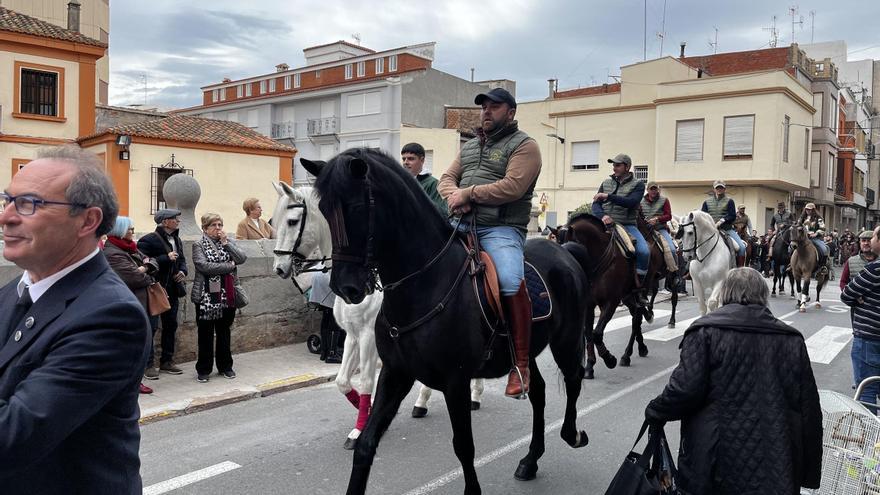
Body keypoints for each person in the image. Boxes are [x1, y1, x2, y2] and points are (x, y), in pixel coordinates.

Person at [0, 145, 149, 493]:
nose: (6, 216)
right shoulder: (11, 293)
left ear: (88, 221)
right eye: (7, 200)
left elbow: (14, 435)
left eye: (29, 203)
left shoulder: (110, 316)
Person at [645, 268, 822, 494]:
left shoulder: (705, 331)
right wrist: (806, 472)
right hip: (775, 460)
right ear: (763, 295)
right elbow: (809, 412)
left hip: (714, 457)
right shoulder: (792, 339)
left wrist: (656, 411)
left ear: (724, 293)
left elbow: (685, 389)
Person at [439, 87, 540, 399]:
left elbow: (513, 186)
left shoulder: (525, 146)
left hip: (501, 229)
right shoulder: (469, 147)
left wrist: (469, 194)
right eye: (484, 107)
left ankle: (520, 364)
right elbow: (446, 180)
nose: (486, 112)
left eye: (494, 107)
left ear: (510, 112)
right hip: (460, 224)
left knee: (510, 279)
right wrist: (454, 197)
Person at [104, 216, 160, 395]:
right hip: (130, 304)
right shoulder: (112, 253)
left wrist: (145, 268)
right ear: (119, 230)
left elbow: (153, 263)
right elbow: (134, 278)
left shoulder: (131, 248)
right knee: (132, 345)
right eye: (130, 229)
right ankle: (131, 383)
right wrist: (145, 269)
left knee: (144, 342)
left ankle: (136, 380)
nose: (133, 233)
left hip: (145, 302)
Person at [192, 213, 247, 382]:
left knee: (224, 332)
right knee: (205, 334)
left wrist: (226, 244)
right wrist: (228, 266)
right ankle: (204, 369)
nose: (218, 228)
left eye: (220, 225)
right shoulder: (198, 244)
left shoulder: (228, 242)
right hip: (205, 296)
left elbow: (242, 258)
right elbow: (204, 266)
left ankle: (225, 366)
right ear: (205, 228)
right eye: (214, 225)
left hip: (227, 294)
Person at [593, 153, 651, 305]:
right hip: (605, 223)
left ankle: (639, 288)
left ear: (627, 167)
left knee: (644, 251)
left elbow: (632, 203)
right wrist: (602, 216)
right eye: (614, 165)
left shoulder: (638, 184)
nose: (614, 168)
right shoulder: (606, 182)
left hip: (627, 224)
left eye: (618, 165)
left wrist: (608, 196)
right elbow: (595, 204)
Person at [138, 208, 188, 378]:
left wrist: (183, 271)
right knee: (151, 328)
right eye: (175, 218)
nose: (178, 221)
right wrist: (166, 258)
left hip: (173, 289)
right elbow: (144, 262)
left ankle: (167, 361)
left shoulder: (177, 239)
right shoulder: (148, 240)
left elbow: (182, 260)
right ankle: (148, 364)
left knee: (171, 325)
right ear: (165, 221)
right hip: (156, 289)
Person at [841, 226, 880, 411]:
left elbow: (847, 294)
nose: (868, 241)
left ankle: (873, 437)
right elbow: (844, 284)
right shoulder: (853, 261)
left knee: (867, 391)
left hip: (869, 338)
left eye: (872, 237)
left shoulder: (874, 269)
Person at [701, 179, 746, 267]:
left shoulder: (729, 201)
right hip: (711, 230)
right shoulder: (706, 202)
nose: (719, 189)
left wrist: (722, 221)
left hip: (726, 229)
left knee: (741, 247)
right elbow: (703, 215)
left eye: (721, 187)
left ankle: (740, 271)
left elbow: (732, 215)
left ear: (724, 189)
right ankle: (689, 270)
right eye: (717, 188)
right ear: (714, 189)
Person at [639, 181, 677, 272]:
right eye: (651, 189)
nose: (653, 191)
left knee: (672, 249)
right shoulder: (640, 201)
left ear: (658, 190)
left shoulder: (664, 200)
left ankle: (673, 272)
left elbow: (669, 216)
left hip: (660, 229)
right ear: (647, 190)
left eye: (655, 189)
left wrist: (657, 219)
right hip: (644, 229)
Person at [401, 142, 447, 214]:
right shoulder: (401, 183)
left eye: (410, 159)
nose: (405, 162)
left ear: (422, 160)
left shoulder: (433, 183)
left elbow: (442, 213)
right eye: (404, 159)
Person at [796, 203, 829, 272]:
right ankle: (791, 264)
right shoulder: (802, 218)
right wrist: (798, 228)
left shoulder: (818, 218)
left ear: (813, 210)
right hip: (803, 238)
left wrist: (816, 233)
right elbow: (797, 225)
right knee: (791, 247)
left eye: (810, 210)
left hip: (815, 238)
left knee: (824, 249)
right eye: (807, 209)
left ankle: (823, 267)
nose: (808, 211)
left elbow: (823, 228)